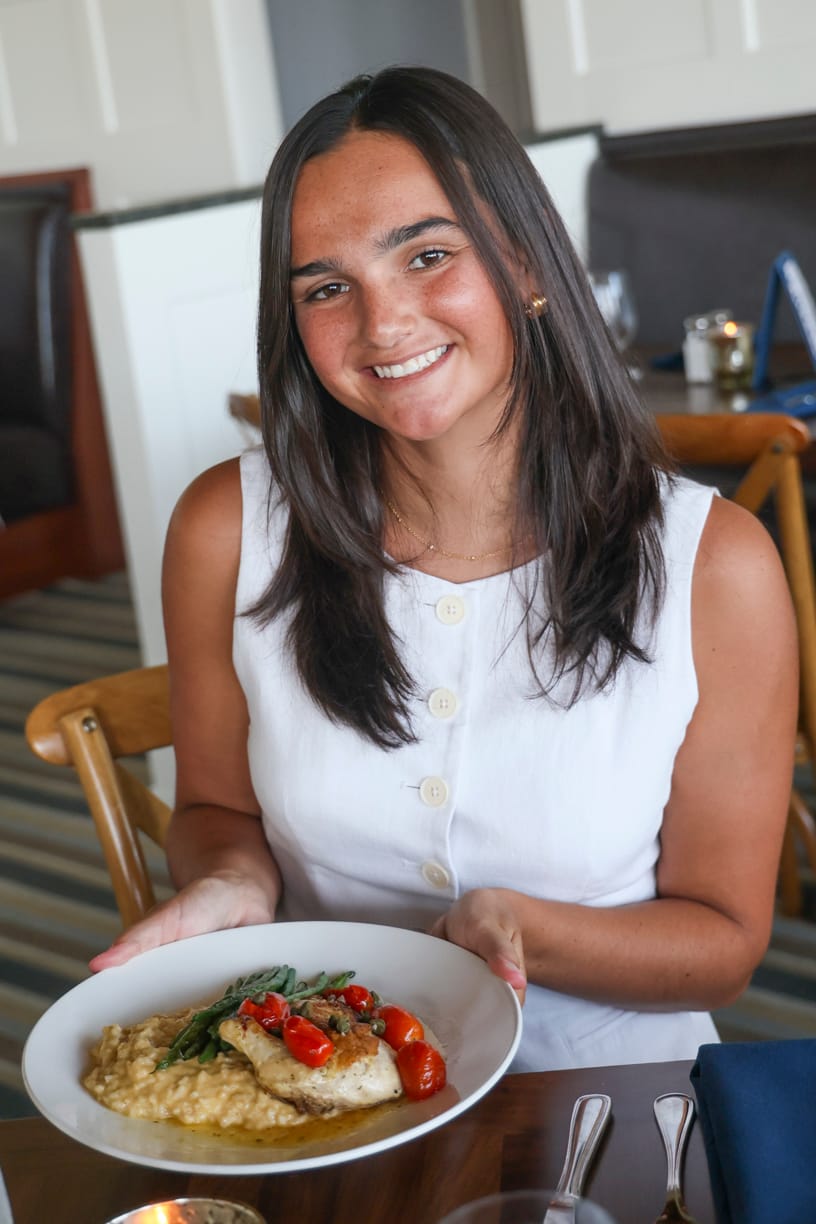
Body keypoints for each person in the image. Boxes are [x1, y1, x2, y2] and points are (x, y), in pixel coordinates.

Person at [90, 66, 798, 1072]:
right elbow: (217, 812)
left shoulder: (715, 567)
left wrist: (521, 928)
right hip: (325, 1084)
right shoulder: (225, 528)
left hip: (607, 1087)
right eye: (327, 288)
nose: (382, 324)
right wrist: (235, 881)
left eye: (427, 255)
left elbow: (723, 946)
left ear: (528, 264)